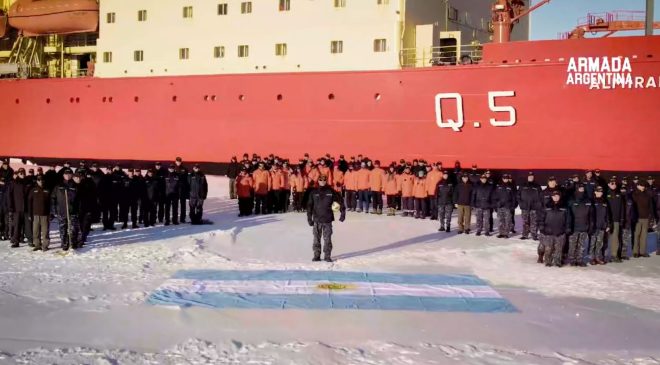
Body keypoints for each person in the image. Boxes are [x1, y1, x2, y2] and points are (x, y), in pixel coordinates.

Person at [306, 175, 345, 262]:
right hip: (317, 220)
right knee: (316, 239)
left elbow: (340, 201)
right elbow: (309, 206)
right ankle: (316, 255)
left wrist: (343, 213)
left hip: (327, 219)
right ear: (318, 181)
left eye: (324, 180)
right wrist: (309, 217)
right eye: (320, 180)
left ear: (326, 181)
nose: (322, 181)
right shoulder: (313, 192)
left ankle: (327, 256)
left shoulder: (330, 191)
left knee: (327, 239)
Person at [538, 191, 570, 267]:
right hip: (548, 231)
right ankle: (548, 261)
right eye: (554, 196)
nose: (556, 197)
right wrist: (542, 227)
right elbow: (541, 218)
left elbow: (568, 219)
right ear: (551, 197)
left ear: (560, 196)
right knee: (548, 248)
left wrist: (567, 228)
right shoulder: (547, 206)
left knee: (559, 248)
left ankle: (557, 261)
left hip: (560, 232)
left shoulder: (565, 207)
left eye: (557, 196)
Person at [51, 169, 80, 251]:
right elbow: (53, 198)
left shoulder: (75, 186)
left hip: (73, 211)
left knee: (74, 229)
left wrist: (78, 209)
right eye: (66, 174)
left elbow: (79, 199)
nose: (67, 175)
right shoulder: (58, 186)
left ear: (72, 175)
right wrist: (54, 209)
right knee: (63, 229)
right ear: (63, 175)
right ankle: (64, 244)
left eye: (69, 174)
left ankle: (73, 243)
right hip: (62, 211)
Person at [568, 184, 592, 266]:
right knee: (573, 244)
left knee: (581, 245)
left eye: (582, 188)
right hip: (574, 227)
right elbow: (568, 214)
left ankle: (579, 259)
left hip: (584, 226)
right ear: (577, 189)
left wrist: (590, 225)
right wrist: (568, 226)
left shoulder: (588, 200)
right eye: (580, 188)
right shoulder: (572, 199)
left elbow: (591, 215)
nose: (581, 189)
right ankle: (572, 260)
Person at [7, 168, 28, 248]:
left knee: (27, 226)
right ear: (18, 174)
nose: (22, 174)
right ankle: (15, 241)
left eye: (23, 173)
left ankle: (28, 240)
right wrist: (11, 207)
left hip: (26, 208)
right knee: (17, 226)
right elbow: (10, 196)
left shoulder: (27, 182)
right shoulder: (14, 183)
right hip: (17, 208)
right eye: (20, 173)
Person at [606, 178, 625, 262]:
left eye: (614, 183)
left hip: (616, 220)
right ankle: (601, 256)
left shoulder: (619, 195)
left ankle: (614, 255)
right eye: (611, 183)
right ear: (608, 184)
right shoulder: (605, 195)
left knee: (615, 238)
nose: (613, 185)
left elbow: (622, 208)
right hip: (607, 221)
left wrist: (621, 218)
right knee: (604, 239)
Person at [632, 181, 652, 258]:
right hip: (638, 217)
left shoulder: (647, 195)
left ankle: (642, 252)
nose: (643, 187)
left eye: (644, 186)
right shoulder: (634, 194)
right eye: (641, 185)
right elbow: (633, 205)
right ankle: (635, 252)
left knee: (644, 235)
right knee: (637, 234)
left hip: (645, 217)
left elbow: (650, 206)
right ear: (638, 186)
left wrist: (650, 216)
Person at [518, 172, 541, 240]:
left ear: (533, 178)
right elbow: (518, 195)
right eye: (529, 176)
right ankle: (525, 234)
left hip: (534, 207)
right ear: (527, 177)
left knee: (534, 221)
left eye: (532, 177)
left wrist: (538, 205)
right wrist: (521, 203)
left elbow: (540, 197)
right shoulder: (523, 185)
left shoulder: (537, 186)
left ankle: (534, 235)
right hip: (525, 207)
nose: (531, 177)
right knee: (525, 221)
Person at [76, 171, 97, 244]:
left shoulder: (89, 184)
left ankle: (83, 237)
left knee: (86, 223)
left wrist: (93, 207)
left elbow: (94, 196)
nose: (80, 178)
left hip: (88, 206)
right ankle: (81, 236)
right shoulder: (75, 185)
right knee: (80, 223)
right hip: (78, 208)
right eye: (78, 177)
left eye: (81, 176)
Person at [590, 186, 610, 265]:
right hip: (594, 226)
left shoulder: (604, 202)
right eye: (598, 191)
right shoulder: (591, 201)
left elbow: (607, 214)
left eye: (601, 192)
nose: (599, 193)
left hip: (602, 225)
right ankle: (592, 258)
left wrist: (608, 224)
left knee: (600, 243)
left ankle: (598, 257)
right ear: (595, 192)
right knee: (593, 243)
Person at [493, 174, 516, 239]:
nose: (505, 179)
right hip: (500, 206)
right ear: (502, 179)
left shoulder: (511, 186)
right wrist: (496, 205)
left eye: (506, 178)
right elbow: (495, 196)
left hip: (507, 206)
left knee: (507, 220)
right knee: (500, 220)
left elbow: (514, 197)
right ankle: (501, 233)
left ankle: (506, 233)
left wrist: (513, 206)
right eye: (504, 178)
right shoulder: (498, 186)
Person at [620, 185, 634, 261]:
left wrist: (630, 220)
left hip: (627, 222)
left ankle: (624, 254)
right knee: (619, 239)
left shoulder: (629, 200)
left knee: (625, 239)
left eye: (624, 189)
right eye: (621, 189)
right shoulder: (618, 199)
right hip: (619, 222)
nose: (623, 191)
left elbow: (632, 211)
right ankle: (617, 254)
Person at [174, 157, 190, 223]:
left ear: (181, 162)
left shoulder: (184, 169)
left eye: (179, 161)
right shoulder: (173, 168)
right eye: (177, 161)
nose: (178, 162)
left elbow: (187, 180)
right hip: (175, 190)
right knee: (175, 205)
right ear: (175, 161)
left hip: (182, 189)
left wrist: (187, 190)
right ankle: (175, 219)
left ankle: (182, 218)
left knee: (183, 205)